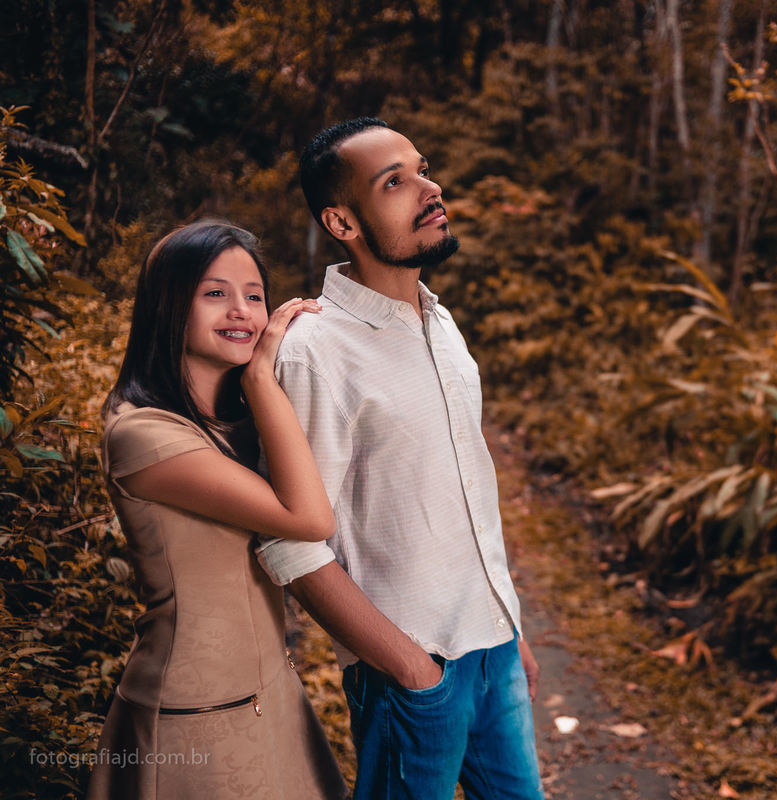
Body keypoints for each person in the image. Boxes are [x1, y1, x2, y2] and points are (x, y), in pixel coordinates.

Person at [254, 117, 543, 800]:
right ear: (342, 221)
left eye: (422, 168)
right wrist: (411, 670)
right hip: (413, 675)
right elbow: (293, 545)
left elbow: (466, 496)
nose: (429, 188)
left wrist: (509, 629)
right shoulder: (316, 350)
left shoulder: (439, 321)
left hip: (494, 654)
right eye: (395, 182)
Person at [86, 221, 348, 800]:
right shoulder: (145, 433)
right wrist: (259, 375)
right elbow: (311, 519)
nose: (242, 312)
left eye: (254, 295)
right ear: (168, 303)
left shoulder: (229, 424)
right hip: (194, 713)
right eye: (215, 293)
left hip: (271, 691)